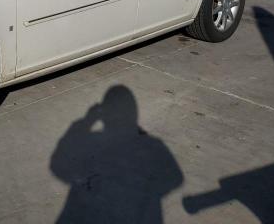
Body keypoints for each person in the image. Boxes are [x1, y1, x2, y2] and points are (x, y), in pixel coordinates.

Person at [50, 85, 183, 223]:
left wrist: (87, 120)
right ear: (133, 115)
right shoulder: (152, 145)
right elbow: (175, 178)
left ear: (104, 115)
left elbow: (58, 164)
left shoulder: (93, 142)